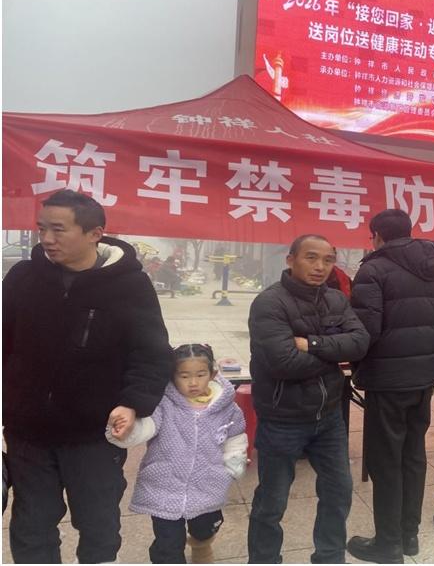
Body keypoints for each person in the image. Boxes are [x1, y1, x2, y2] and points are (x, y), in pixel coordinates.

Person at [2, 189, 174, 563]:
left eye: (58, 229)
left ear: (95, 233)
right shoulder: (22, 278)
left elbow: (151, 354)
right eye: (42, 228)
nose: (47, 238)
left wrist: (132, 404)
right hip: (28, 432)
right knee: (31, 526)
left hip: (94, 434)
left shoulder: (129, 285)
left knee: (98, 526)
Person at [247, 234, 370, 564]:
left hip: (329, 417)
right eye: (311, 257)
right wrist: (334, 352)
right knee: (272, 501)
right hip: (282, 419)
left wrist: (312, 344)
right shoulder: (270, 303)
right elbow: (284, 363)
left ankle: (329, 557)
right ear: (291, 260)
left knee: (339, 492)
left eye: (328, 260)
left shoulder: (336, 299)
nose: (320, 267)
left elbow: (360, 342)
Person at [348, 209, 434, 563]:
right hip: (423, 378)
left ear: (377, 235)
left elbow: (365, 332)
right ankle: (409, 536)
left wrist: (357, 367)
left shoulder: (373, 270)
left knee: (385, 461)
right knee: (413, 456)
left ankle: (388, 544)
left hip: (388, 381)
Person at [107, 343, 248, 563]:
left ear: (212, 374)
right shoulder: (164, 404)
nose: (193, 383)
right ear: (172, 376)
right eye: (184, 376)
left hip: (207, 485)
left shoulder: (227, 408)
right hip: (165, 487)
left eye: (200, 375)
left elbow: (235, 436)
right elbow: (147, 427)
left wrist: (234, 462)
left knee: (206, 527)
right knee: (168, 543)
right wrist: (127, 431)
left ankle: (201, 543)